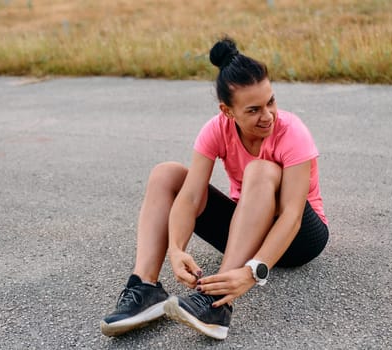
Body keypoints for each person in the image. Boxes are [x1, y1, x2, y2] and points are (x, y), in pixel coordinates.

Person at [100, 37, 329, 340]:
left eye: (271, 101)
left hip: (300, 239)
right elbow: (192, 196)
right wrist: (177, 249)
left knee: (259, 170)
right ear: (227, 111)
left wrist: (251, 273)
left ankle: (216, 302)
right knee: (166, 174)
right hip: (249, 229)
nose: (268, 116)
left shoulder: (291, 131)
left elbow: (292, 216)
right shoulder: (215, 130)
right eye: (253, 110)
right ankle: (145, 287)